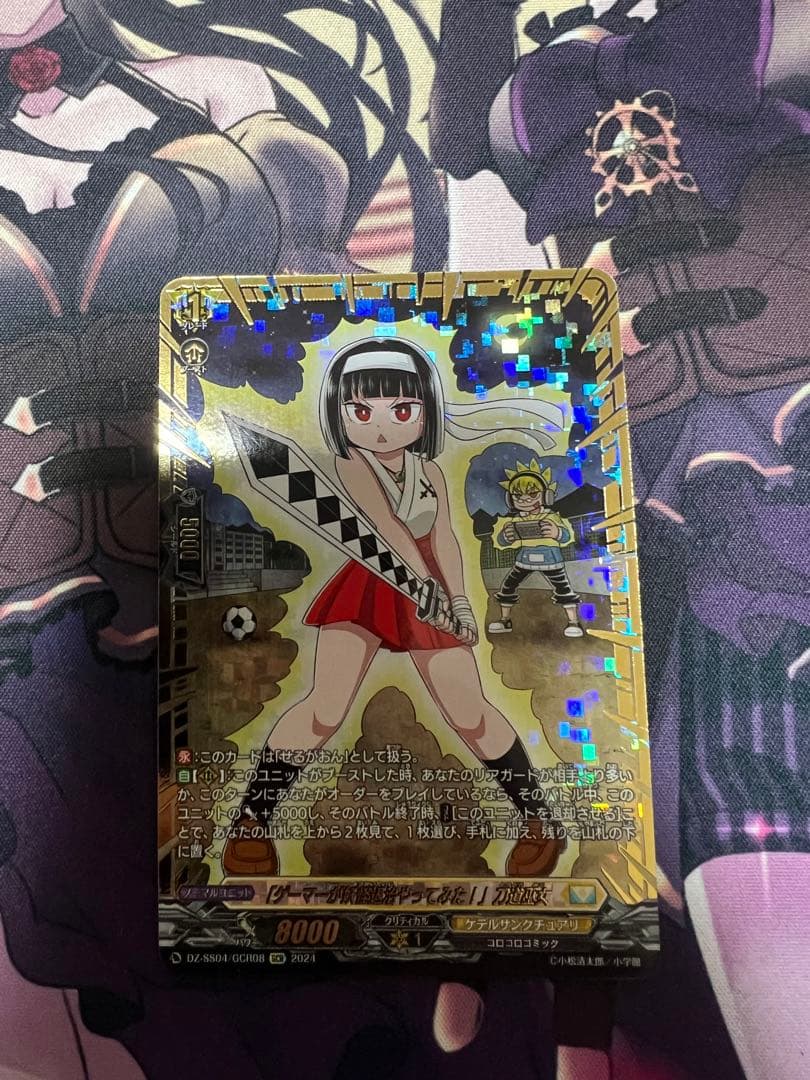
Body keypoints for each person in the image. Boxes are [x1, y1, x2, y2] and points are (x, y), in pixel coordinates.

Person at [223, 336, 568, 880]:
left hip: (429, 586)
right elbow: (385, 528)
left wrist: (457, 601)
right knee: (323, 710)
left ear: (424, 412)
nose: (381, 425)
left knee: (470, 711)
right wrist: (423, 587)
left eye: (400, 410)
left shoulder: (429, 472)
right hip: (372, 578)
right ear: (339, 414)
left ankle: (537, 820)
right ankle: (251, 821)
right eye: (361, 411)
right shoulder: (351, 464)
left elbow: (445, 538)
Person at [489, 460, 583, 638]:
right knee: (508, 586)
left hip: (551, 560)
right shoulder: (516, 520)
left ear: (546, 496)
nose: (524, 500)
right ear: (510, 499)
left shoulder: (551, 516)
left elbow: (566, 536)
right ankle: (505, 620)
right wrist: (506, 536)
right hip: (524, 559)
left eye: (532, 494)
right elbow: (502, 542)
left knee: (563, 589)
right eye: (518, 496)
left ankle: (573, 622)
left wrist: (556, 532)